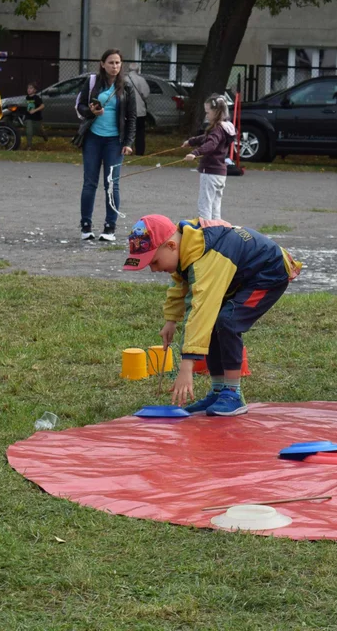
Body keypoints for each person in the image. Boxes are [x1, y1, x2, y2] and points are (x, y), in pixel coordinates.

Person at [123, 214, 301, 417]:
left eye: (154, 262)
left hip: (269, 272)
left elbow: (201, 310)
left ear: (171, 246)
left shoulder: (207, 258)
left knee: (227, 321)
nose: (153, 269)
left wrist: (186, 366)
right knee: (216, 322)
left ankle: (233, 394)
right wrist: (170, 320)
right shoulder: (186, 247)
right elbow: (180, 285)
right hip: (241, 276)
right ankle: (218, 391)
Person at [76, 48, 137, 241]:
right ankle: (86, 225)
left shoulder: (126, 87)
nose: (115, 66)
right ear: (103, 64)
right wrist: (91, 111)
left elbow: (132, 118)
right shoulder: (93, 82)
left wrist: (128, 142)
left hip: (114, 141)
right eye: (111, 62)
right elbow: (80, 106)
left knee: (112, 184)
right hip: (93, 139)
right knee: (89, 183)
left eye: (118, 63)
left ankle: (110, 227)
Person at [181, 94, 234, 220]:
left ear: (216, 112)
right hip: (220, 173)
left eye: (208, 112)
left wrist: (195, 153)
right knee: (215, 207)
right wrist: (191, 141)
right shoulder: (224, 127)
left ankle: (205, 234)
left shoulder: (216, 129)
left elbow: (211, 144)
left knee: (205, 205)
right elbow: (207, 138)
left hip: (210, 172)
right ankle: (216, 232)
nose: (206, 115)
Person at [126, 64, 150, 156]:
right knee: (140, 132)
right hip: (140, 110)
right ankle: (139, 151)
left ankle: (128, 150)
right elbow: (146, 94)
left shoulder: (124, 79)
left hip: (127, 110)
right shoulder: (141, 80)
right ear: (138, 70)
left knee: (128, 131)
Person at [22, 82, 47, 149]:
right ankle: (29, 145)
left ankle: (44, 136)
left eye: (31, 88)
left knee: (39, 131)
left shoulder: (36, 98)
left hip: (37, 118)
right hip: (28, 118)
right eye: (28, 88)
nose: (29, 89)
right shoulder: (26, 98)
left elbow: (42, 106)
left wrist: (34, 110)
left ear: (35, 90)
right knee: (29, 131)